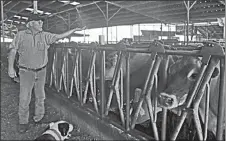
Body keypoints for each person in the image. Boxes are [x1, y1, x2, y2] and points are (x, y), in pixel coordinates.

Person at [7, 13, 86, 133]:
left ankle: (38, 118)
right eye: (39, 22)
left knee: (40, 96)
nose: (41, 24)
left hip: (41, 71)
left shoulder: (45, 36)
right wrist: (10, 68)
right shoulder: (21, 35)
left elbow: (59, 36)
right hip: (26, 72)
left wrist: (74, 29)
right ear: (30, 24)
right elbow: (13, 51)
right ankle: (23, 122)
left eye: (42, 22)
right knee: (24, 97)